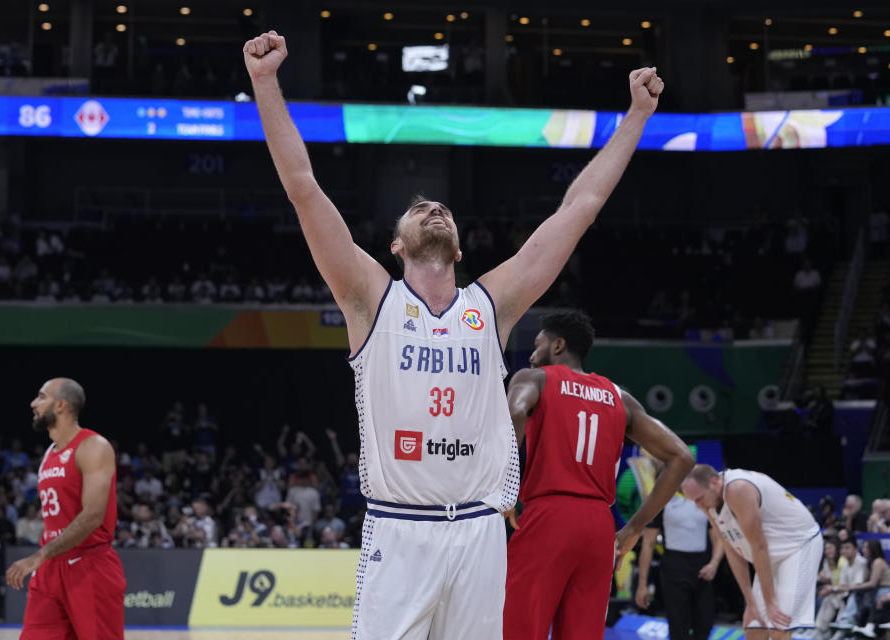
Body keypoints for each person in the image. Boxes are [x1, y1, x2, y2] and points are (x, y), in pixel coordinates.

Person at [243, 28, 664, 640]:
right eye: (416, 210)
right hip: (398, 528)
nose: (432, 208)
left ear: (460, 245)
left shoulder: (491, 307)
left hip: (478, 532)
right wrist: (265, 83)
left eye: (441, 210)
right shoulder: (369, 298)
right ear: (396, 245)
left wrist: (637, 116)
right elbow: (304, 187)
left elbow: (580, 207)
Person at [502, 312, 695, 640]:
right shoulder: (618, 396)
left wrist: (504, 487)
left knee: (518, 629)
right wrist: (634, 528)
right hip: (599, 527)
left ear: (558, 345)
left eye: (538, 345)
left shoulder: (534, 378)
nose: (532, 355)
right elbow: (682, 456)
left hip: (549, 516)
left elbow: (516, 411)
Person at [6, 378, 126, 640]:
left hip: (89, 566)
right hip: (51, 570)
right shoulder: (49, 454)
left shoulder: (93, 446)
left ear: (60, 405)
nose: (33, 403)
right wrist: (45, 558)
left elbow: (93, 515)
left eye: (40, 397)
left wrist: (39, 556)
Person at [681, 464, 823, 639]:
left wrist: (770, 603)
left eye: (699, 499)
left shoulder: (738, 489)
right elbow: (731, 547)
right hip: (770, 555)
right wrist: (751, 603)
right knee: (753, 628)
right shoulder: (708, 501)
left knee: (778, 627)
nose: (698, 506)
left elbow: (759, 546)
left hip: (799, 547)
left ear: (714, 482)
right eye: (694, 501)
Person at [634, 475, 725, 640]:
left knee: (704, 623)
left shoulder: (704, 500)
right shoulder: (662, 501)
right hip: (674, 567)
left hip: (702, 566)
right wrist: (642, 584)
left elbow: (719, 537)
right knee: (678, 626)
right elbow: (648, 544)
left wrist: (714, 563)